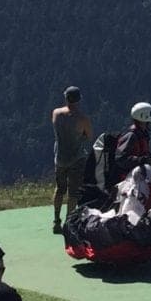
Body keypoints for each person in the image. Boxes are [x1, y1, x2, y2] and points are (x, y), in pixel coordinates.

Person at [51, 86, 92, 234]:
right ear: (79, 99)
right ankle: (69, 223)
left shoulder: (56, 113)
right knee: (73, 192)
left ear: (66, 98)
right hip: (76, 158)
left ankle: (56, 221)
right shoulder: (83, 118)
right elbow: (89, 136)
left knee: (59, 189)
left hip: (60, 158)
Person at [114, 102, 151, 175]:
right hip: (129, 177)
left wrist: (150, 158)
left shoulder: (142, 135)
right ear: (143, 116)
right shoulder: (131, 136)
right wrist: (141, 160)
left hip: (140, 175)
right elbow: (120, 159)